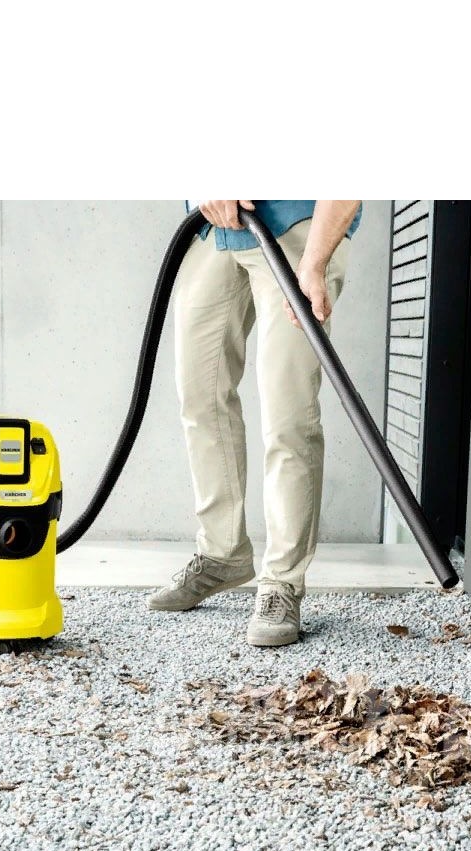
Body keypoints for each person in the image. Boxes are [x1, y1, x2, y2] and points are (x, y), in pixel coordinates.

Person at [147, 199, 362, 647]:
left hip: (299, 228)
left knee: (289, 412)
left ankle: (283, 580)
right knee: (199, 396)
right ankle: (221, 552)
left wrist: (314, 263)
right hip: (217, 231)